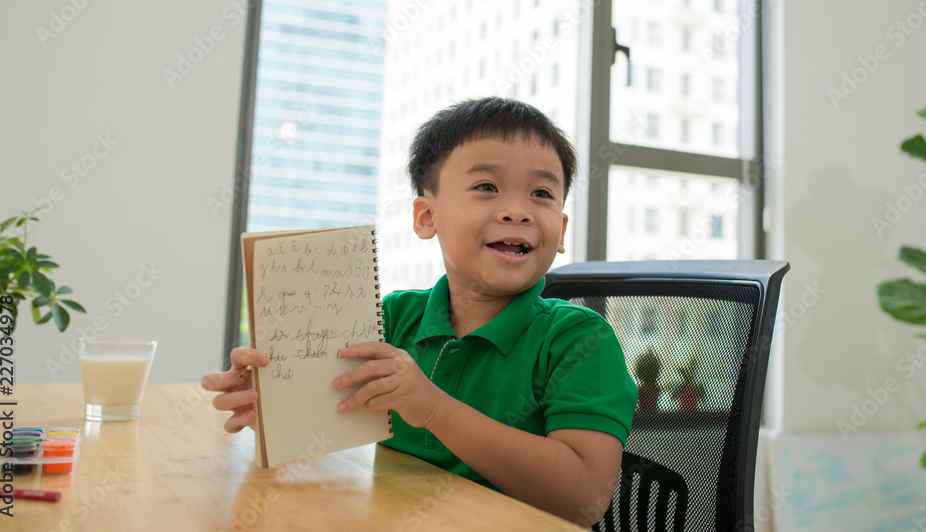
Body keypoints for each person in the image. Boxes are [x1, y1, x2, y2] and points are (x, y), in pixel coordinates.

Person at [201, 97, 638, 525]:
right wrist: (277, 405)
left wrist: (432, 408)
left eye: (541, 193)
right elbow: (328, 426)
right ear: (427, 216)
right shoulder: (390, 318)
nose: (517, 211)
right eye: (487, 186)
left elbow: (585, 498)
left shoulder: (581, 339)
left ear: (560, 230)